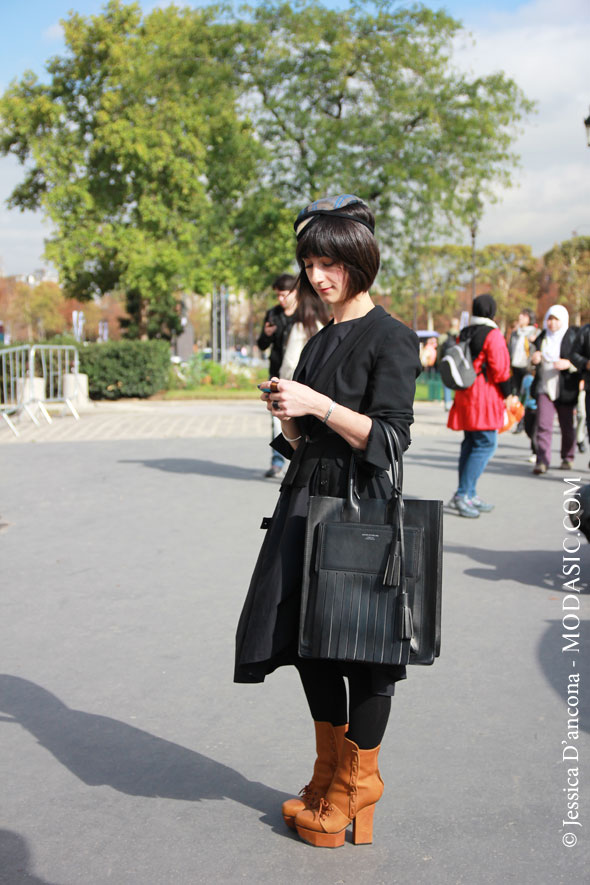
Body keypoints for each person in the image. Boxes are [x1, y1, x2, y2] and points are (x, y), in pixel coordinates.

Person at [234, 194, 421, 849]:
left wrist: (316, 400)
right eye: (312, 262)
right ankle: (327, 776)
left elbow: (392, 441)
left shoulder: (393, 337)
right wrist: (289, 420)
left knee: (364, 652)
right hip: (305, 500)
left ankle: (357, 784)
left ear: (360, 261)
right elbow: (307, 441)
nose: (319, 276)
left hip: (361, 510)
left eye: (332, 262)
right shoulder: (321, 340)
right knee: (308, 643)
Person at [446, 294, 514, 518]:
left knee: (471, 444)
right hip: (484, 395)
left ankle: (469, 492)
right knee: (486, 444)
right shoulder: (492, 334)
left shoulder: (466, 331)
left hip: (465, 394)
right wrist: (509, 394)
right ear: (492, 311)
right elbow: (501, 369)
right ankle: (463, 494)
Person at [530, 305, 579, 475]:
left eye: (555, 319)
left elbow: (579, 360)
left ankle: (568, 456)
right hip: (545, 385)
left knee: (567, 425)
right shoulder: (542, 337)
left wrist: (569, 364)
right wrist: (534, 358)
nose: (551, 323)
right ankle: (542, 460)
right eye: (549, 319)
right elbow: (534, 355)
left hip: (565, 387)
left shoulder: (572, 336)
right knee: (543, 424)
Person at [257, 275, 298, 477]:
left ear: (294, 293)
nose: (280, 299)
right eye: (278, 295)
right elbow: (262, 345)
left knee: (299, 419)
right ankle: (276, 461)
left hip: (299, 376)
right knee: (276, 419)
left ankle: (299, 462)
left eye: (283, 295)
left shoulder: (303, 314)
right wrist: (267, 334)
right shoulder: (273, 314)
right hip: (277, 375)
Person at [279, 283, 330, 381]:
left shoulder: (300, 327)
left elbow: (290, 363)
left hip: (299, 386)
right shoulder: (326, 326)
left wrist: (282, 382)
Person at [508, 309, 537, 395]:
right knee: (515, 393)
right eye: (521, 315)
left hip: (528, 368)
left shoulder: (535, 333)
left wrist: (534, 341)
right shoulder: (515, 333)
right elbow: (510, 349)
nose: (520, 317)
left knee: (526, 393)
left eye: (524, 315)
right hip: (514, 368)